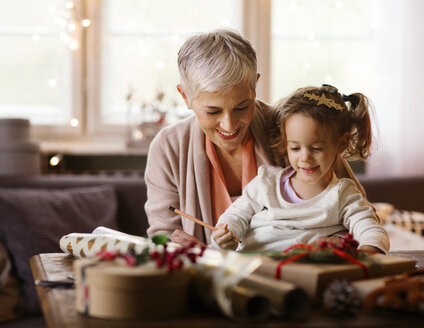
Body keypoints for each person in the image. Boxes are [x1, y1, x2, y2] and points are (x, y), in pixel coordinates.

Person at [145, 29, 364, 246]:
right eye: (212, 111)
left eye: (242, 106)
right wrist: (197, 253)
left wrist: (331, 242)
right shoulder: (168, 147)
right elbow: (164, 236)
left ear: (255, 85)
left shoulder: (293, 130)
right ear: (185, 96)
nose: (229, 125)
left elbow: (360, 216)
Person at [211, 85, 389, 253]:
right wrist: (226, 234)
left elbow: (369, 228)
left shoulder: (343, 195)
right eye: (295, 148)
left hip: (304, 269)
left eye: (317, 148)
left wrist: (371, 248)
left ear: (341, 144)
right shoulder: (266, 182)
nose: (305, 158)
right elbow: (236, 216)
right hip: (254, 264)